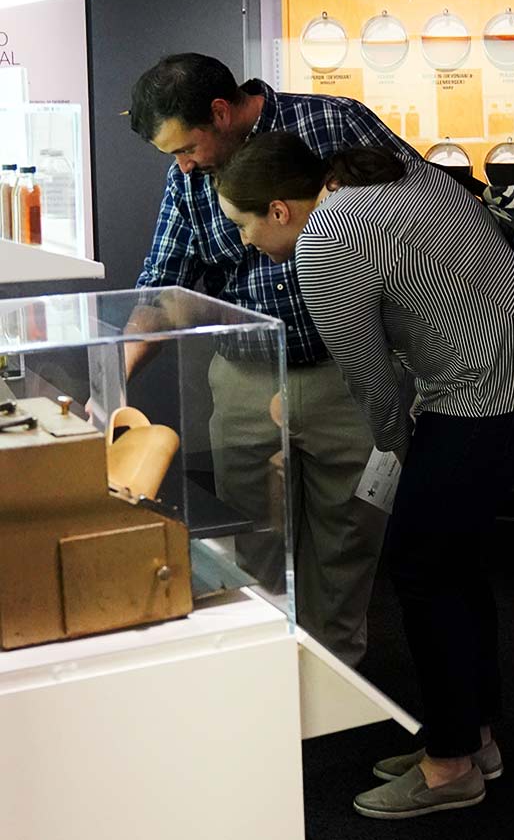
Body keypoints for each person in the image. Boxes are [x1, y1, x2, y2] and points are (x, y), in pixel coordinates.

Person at [215, 131, 514, 820]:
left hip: (486, 393)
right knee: (453, 563)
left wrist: (400, 453)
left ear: (281, 210)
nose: (243, 241)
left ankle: (449, 768)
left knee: (422, 568)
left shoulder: (324, 240)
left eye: (244, 223)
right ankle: (473, 736)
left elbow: (374, 386)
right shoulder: (391, 175)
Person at [127, 52, 420, 667]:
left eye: (186, 148)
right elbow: (163, 285)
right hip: (246, 378)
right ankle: (263, 669)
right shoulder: (187, 177)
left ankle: (335, 675)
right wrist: (116, 379)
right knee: (253, 535)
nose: (183, 166)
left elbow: (425, 212)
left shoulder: (333, 124)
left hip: (350, 374)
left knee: (348, 535)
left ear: (220, 111)